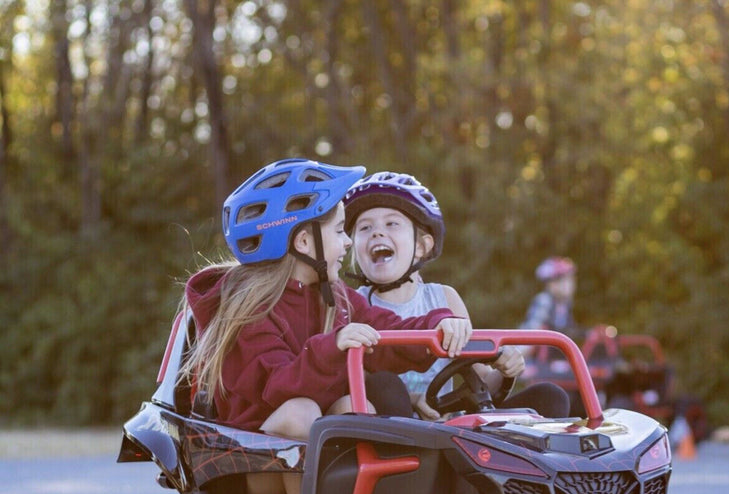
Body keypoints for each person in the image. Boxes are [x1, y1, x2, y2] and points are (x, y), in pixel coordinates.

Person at [182, 158, 471, 443]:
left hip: (316, 456)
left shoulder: (339, 299)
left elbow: (389, 331)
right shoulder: (252, 309)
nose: (348, 242)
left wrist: (438, 323)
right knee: (301, 412)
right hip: (256, 458)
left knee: (355, 408)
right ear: (304, 243)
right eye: (338, 231)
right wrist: (334, 345)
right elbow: (277, 386)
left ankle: (368, 491)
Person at [344, 172, 570, 420]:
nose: (377, 233)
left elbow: (482, 382)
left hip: (452, 430)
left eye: (391, 224)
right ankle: (410, 455)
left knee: (551, 396)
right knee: (383, 384)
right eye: (365, 227)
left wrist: (506, 369)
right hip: (398, 436)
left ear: (421, 246)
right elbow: (353, 384)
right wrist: (413, 398)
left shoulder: (444, 298)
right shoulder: (351, 306)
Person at [521, 256, 577, 334]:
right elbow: (532, 329)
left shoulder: (565, 303)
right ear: (550, 284)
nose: (568, 285)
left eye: (570, 280)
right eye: (562, 280)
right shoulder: (544, 301)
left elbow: (568, 329)